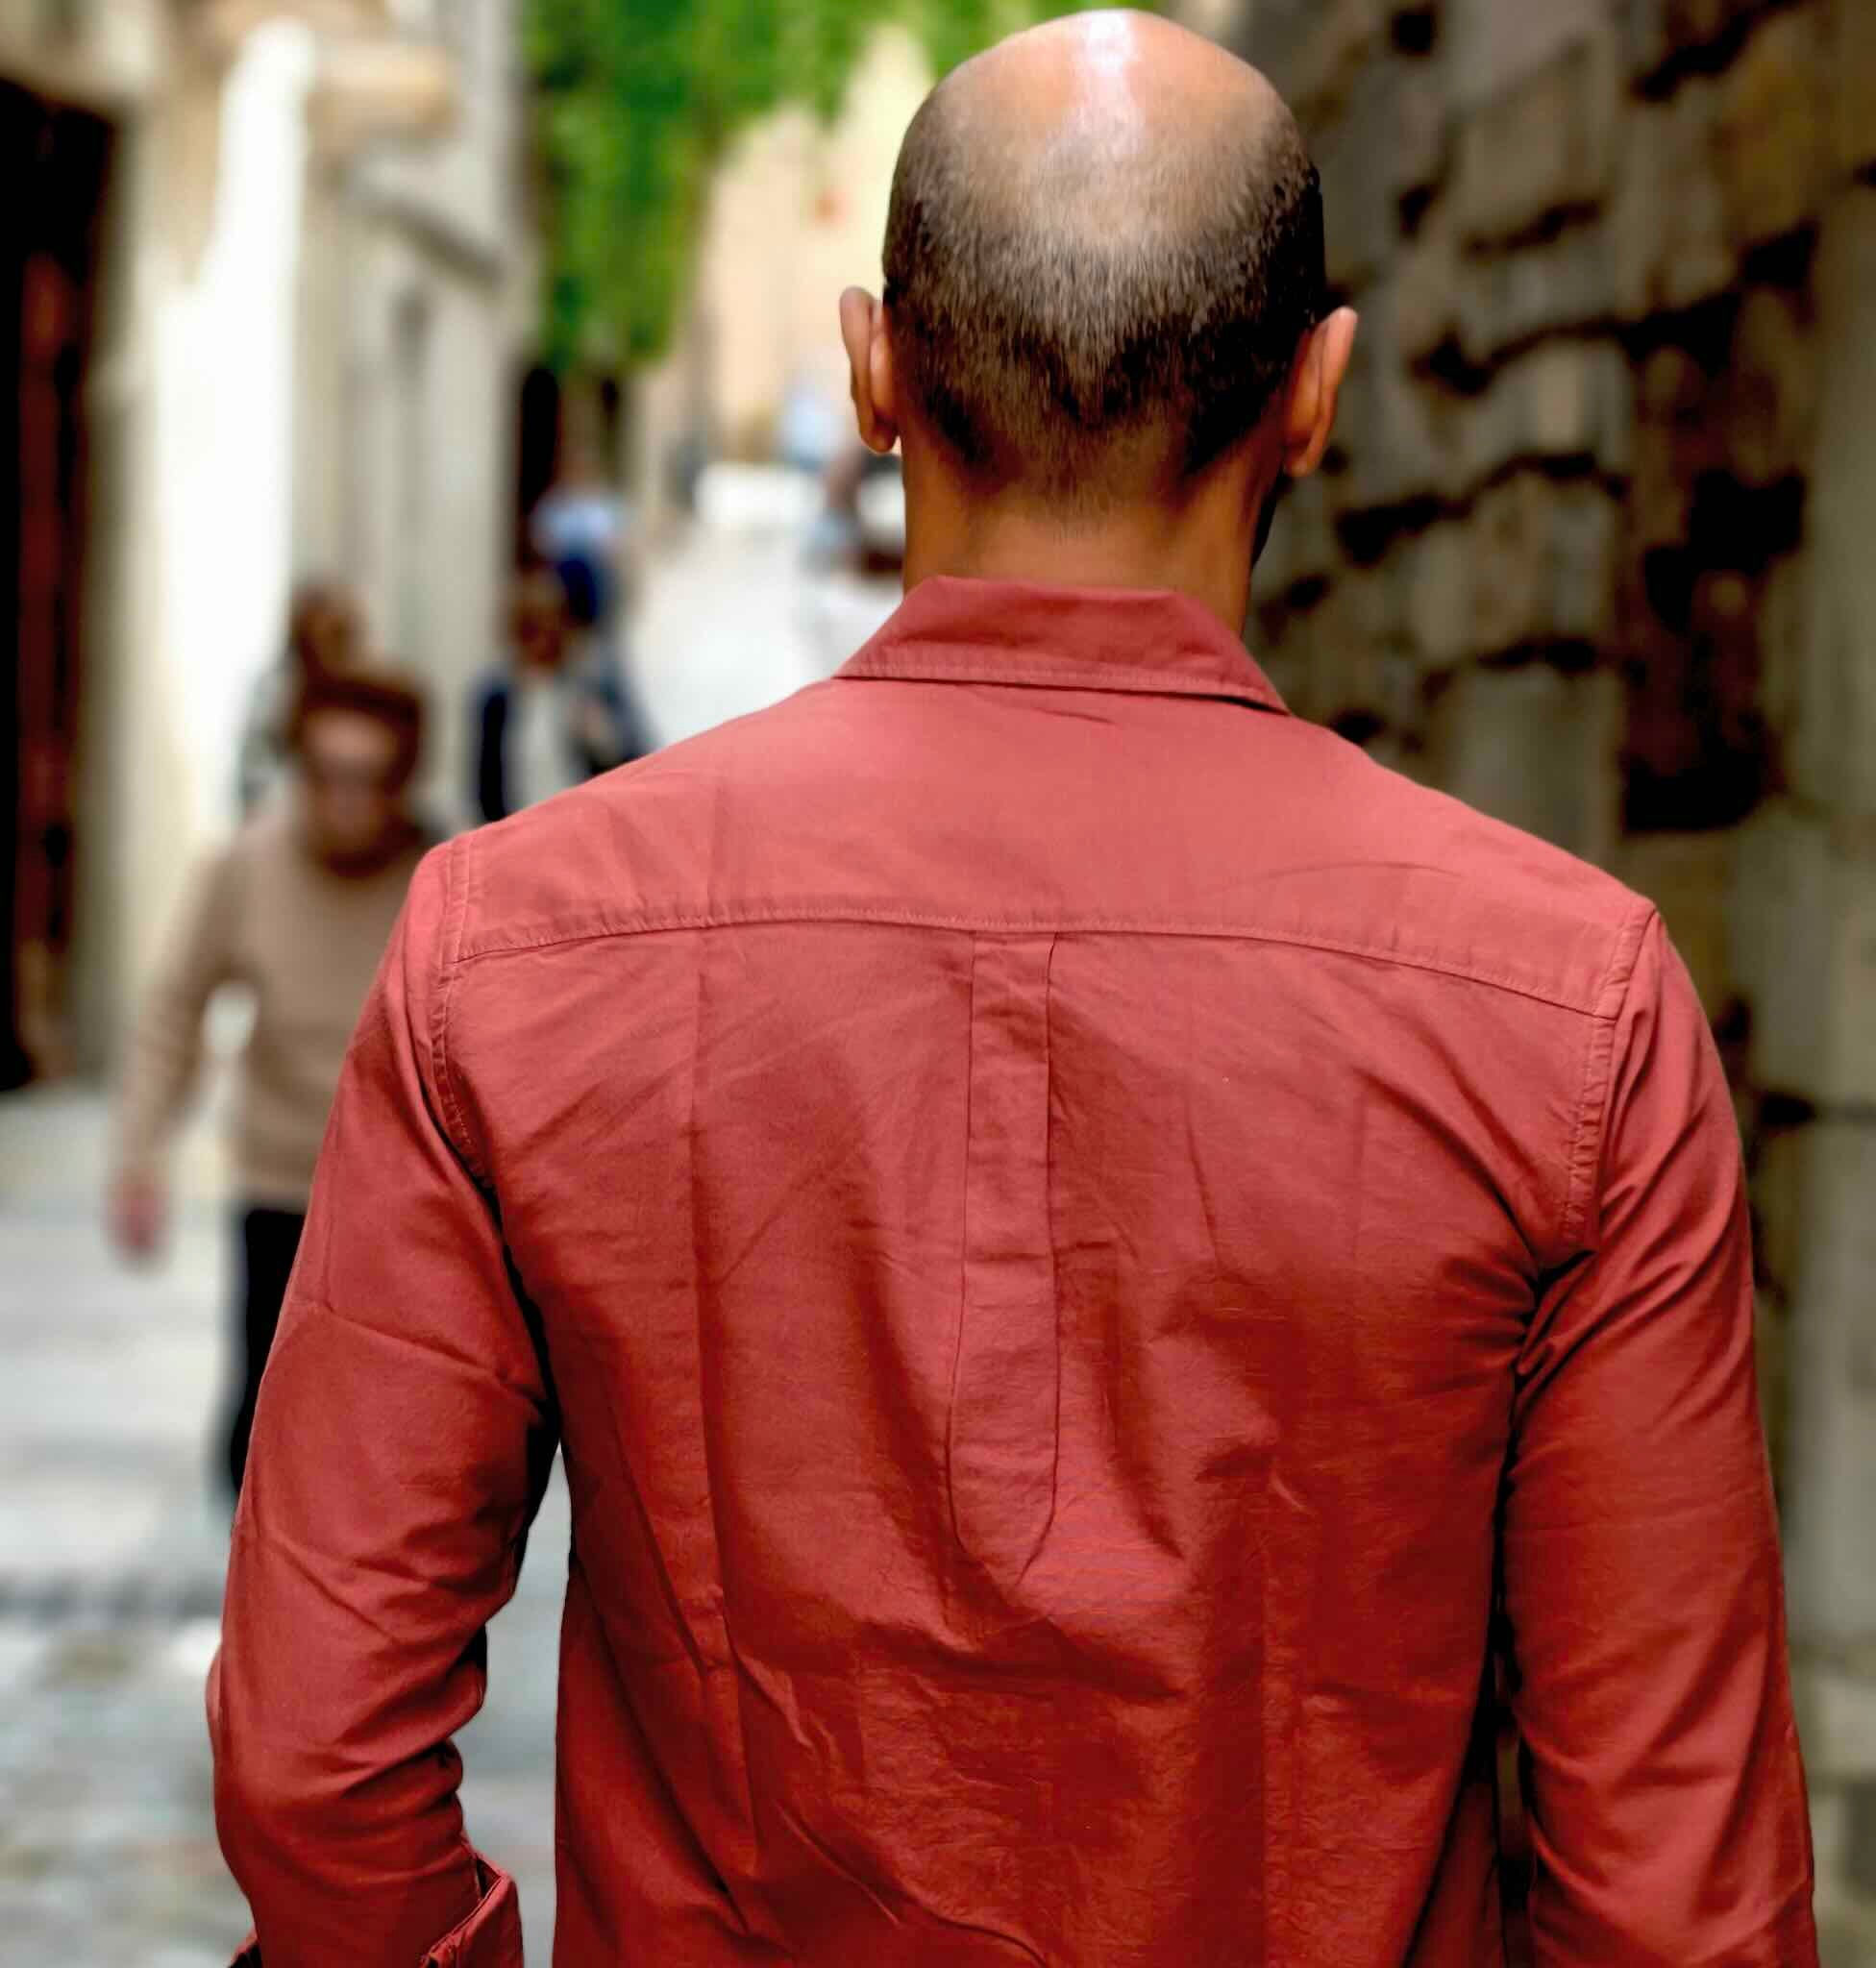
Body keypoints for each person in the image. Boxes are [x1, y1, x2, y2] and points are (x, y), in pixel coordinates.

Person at [209, 14, 1816, 1968]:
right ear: (1316, 394)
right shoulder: (1569, 1009)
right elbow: (1679, 1901)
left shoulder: (517, 945)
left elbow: (315, 1762)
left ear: (873, 370)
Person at [110, 668, 433, 1501]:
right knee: (262, 1421)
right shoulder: (247, 864)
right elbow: (175, 1007)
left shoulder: (443, 876)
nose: (346, 802)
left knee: (395, 1438)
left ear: (404, 780)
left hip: (409, 1199)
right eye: (326, 775)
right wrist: (141, 1157)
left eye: (369, 778)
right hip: (282, 1182)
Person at [472, 558, 652, 824]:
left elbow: (630, 760)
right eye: (530, 629)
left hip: (582, 826)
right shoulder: (497, 699)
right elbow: (486, 785)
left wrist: (600, 734)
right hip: (519, 829)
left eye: (550, 625)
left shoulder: (592, 687)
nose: (542, 641)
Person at [234, 580, 366, 816]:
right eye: (322, 635)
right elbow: (256, 766)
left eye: (337, 636)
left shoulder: (364, 690)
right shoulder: (276, 689)